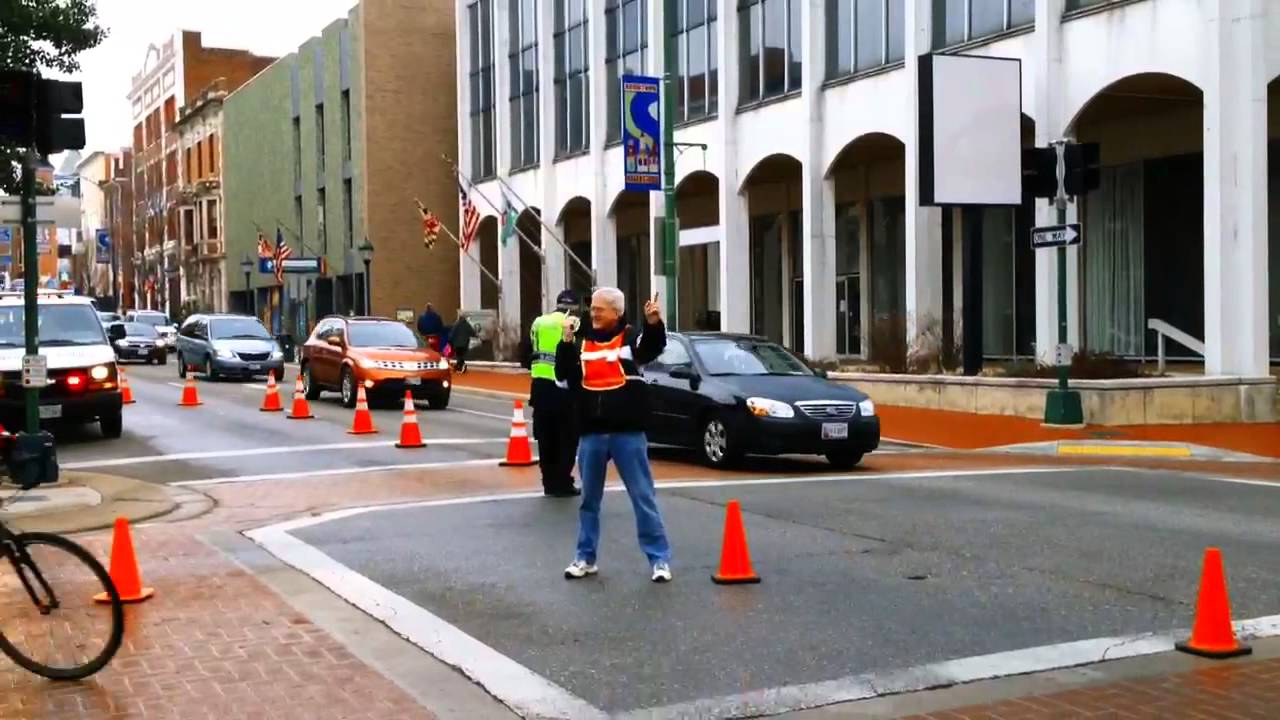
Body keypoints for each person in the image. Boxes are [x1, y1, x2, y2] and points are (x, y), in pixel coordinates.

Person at [556, 287, 672, 583]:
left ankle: (659, 560)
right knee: (588, 501)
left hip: (627, 433)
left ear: (617, 313)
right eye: (592, 308)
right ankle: (585, 557)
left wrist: (655, 323)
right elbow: (563, 379)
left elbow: (653, 346)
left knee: (643, 497)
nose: (593, 313)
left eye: (600, 309)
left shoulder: (631, 340)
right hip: (592, 433)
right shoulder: (581, 342)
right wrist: (566, 342)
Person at [529, 290, 581, 497]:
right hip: (563, 390)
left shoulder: (538, 322)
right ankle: (562, 482)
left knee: (545, 438)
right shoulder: (572, 324)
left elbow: (527, 352)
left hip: (539, 388)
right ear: (574, 307)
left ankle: (548, 482)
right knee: (566, 439)